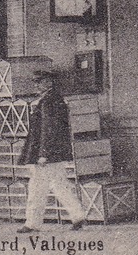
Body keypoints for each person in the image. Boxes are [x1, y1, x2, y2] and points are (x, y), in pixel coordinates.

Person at [19, 69, 87, 232]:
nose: (36, 85)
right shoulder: (54, 99)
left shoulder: (48, 101)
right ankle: (78, 216)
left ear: (49, 82)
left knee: (36, 188)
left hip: (45, 154)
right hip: (54, 154)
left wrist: (43, 154)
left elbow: (49, 129)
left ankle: (32, 224)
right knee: (59, 185)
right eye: (35, 82)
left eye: (39, 82)